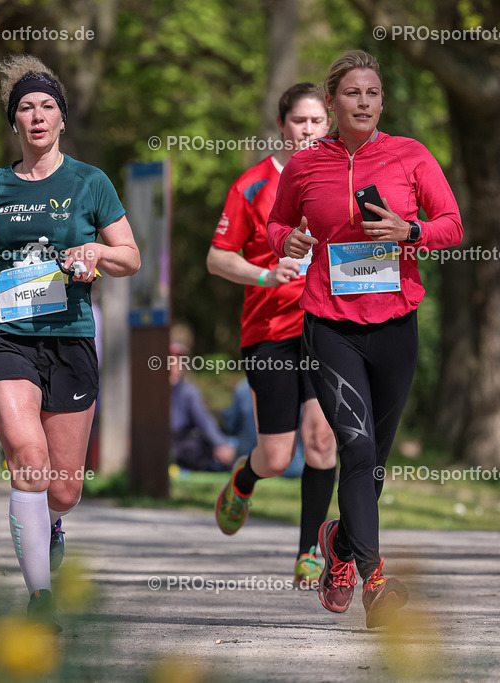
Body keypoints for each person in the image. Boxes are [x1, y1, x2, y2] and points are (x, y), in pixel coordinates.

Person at [267, 50, 463, 627]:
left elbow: (452, 224)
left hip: (395, 324)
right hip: (329, 325)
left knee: (372, 461)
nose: (364, 102)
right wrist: (289, 242)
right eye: (352, 93)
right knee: (353, 448)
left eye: (373, 93)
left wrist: (412, 230)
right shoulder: (305, 166)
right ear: (331, 102)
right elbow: (278, 224)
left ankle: (340, 547)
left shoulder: (410, 155)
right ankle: (375, 584)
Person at [0, 55, 140, 627]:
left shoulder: (91, 183)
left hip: (69, 340)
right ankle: (40, 598)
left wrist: (97, 254)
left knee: (62, 489)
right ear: (14, 123)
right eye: (26, 109)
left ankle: (52, 523)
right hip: (4, 337)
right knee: (28, 457)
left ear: (62, 119)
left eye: (47, 107)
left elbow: (131, 258)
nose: (37, 117)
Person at [207, 82, 337, 588]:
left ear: (329, 124)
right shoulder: (253, 185)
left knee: (322, 439)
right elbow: (217, 258)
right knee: (278, 457)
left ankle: (310, 552)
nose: (308, 130)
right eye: (299, 121)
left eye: (317, 122)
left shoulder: (338, 180)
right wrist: (265, 274)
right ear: (282, 125)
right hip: (270, 331)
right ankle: (244, 478)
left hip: (326, 325)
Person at [169, 342, 236, 471]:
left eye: (178, 361)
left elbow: (204, 420)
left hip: (183, 444)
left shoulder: (188, 391)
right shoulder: (154, 391)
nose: (174, 365)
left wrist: (220, 443)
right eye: (170, 360)